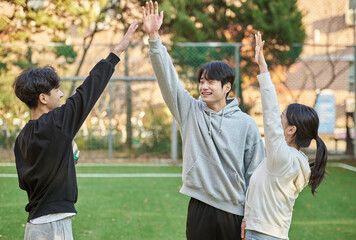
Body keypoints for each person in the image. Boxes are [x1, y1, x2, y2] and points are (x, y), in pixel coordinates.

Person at [142, 2, 265, 239]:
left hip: (235, 212)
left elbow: (255, 175)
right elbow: (168, 80)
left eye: (210, 82)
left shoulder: (246, 124)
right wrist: (154, 37)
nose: (203, 87)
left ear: (227, 87)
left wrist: (251, 215)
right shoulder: (190, 111)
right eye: (201, 81)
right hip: (200, 207)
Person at [13, 20, 138, 240]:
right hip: (53, 225)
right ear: (43, 98)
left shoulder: (21, 138)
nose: (61, 95)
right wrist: (117, 52)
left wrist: (61, 160)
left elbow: (25, 182)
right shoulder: (57, 124)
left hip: (34, 225)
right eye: (56, 90)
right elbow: (88, 91)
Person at [241, 32, 328, 240]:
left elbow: (270, 117)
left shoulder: (282, 159)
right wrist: (248, 219)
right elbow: (262, 193)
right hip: (266, 233)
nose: (278, 119)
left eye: (283, 116)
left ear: (291, 130)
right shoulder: (292, 160)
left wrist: (263, 69)